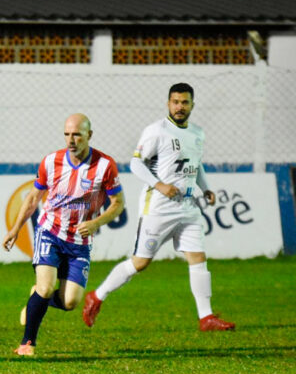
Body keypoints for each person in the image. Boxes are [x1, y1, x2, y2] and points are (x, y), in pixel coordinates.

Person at [82, 83, 235, 331]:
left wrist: (205, 188)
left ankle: (206, 317)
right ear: (168, 104)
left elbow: (196, 165)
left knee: (198, 258)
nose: (179, 107)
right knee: (140, 263)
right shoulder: (156, 131)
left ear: (192, 105)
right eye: (175, 102)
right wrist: (160, 185)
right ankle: (97, 296)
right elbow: (135, 163)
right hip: (159, 208)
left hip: (187, 206)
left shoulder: (197, 133)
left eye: (185, 102)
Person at [3, 113, 124, 356]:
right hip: (50, 232)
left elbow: (117, 204)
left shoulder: (104, 165)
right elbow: (34, 198)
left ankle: (35, 296)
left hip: (80, 242)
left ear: (89, 135)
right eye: (67, 134)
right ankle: (27, 343)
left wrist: (96, 222)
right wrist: (15, 229)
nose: (71, 139)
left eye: (77, 134)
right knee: (46, 287)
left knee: (70, 302)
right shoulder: (51, 162)